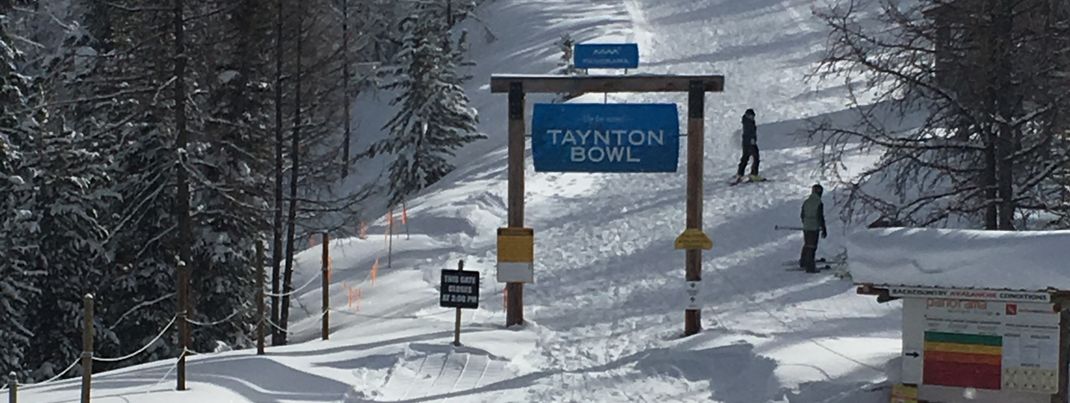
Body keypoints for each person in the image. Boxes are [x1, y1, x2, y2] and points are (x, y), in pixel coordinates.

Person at [800, 184, 827, 273]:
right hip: (814, 227)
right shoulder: (819, 203)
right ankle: (810, 267)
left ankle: (803, 261)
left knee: (807, 244)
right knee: (812, 247)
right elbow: (820, 217)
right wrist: (823, 229)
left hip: (806, 227)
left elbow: (802, 215)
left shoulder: (806, 202)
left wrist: (806, 223)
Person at [736, 109, 761, 182]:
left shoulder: (747, 121)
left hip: (746, 142)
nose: (752, 117)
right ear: (747, 115)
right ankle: (754, 174)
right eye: (751, 116)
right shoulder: (748, 122)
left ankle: (740, 174)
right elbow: (749, 132)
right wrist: (752, 140)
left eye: (753, 116)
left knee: (745, 157)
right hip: (750, 142)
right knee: (756, 157)